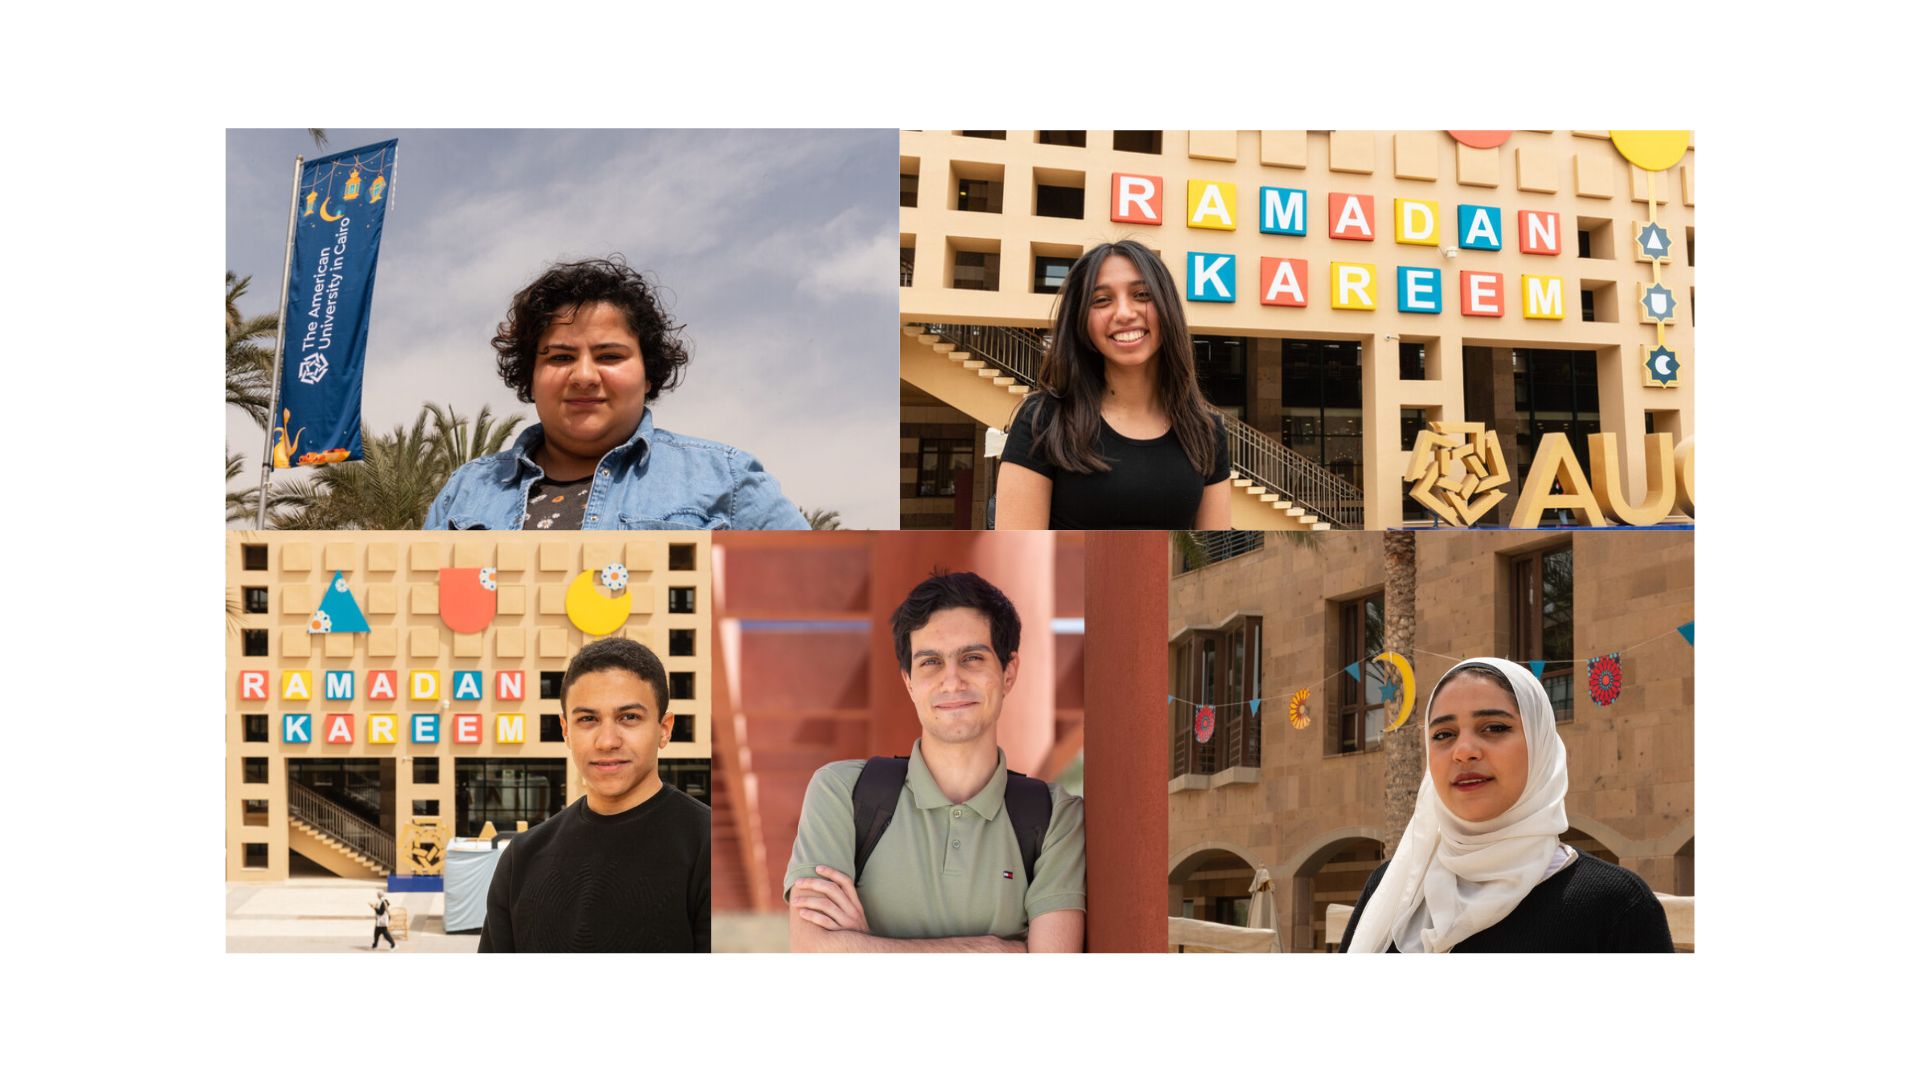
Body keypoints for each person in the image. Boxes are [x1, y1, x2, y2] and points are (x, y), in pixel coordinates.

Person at [785, 571, 1085, 952]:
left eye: (972, 658)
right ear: (909, 682)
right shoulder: (842, 791)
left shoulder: (1056, 816)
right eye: (930, 663)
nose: (952, 681)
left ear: (1008, 673)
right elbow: (813, 953)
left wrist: (864, 947)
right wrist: (992, 951)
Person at [425, 256, 809, 531]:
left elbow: (827, 604)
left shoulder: (727, 480)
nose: (585, 376)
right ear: (531, 376)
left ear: (648, 373)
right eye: (560, 357)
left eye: (610, 355)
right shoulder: (466, 492)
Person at [1340, 658, 1674, 953]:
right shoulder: (1394, 886)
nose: (1464, 750)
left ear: (1539, 744)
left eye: (1495, 728)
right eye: (1443, 734)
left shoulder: (1614, 906)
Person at [479, 637, 710, 952]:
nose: (607, 741)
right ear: (565, 730)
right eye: (588, 719)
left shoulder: (708, 849)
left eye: (629, 717)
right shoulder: (522, 858)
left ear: (664, 728)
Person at [994, 240, 1232, 530]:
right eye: (1101, 300)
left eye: (1142, 294)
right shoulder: (1044, 420)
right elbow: (1020, 557)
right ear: (1082, 322)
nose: (1123, 313)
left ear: (1166, 307)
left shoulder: (1206, 432)